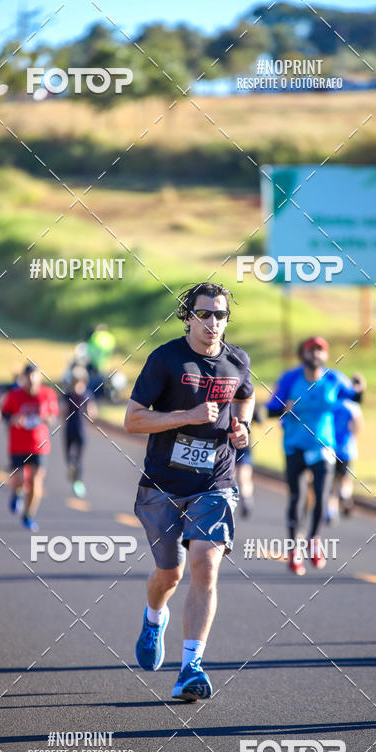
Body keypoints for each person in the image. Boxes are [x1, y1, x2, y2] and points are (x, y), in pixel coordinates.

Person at [124, 282, 254, 702]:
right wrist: (189, 415)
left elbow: (246, 397)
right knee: (170, 573)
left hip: (215, 482)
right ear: (188, 316)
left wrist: (243, 427)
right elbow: (133, 421)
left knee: (205, 563)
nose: (212, 322)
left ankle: (190, 667)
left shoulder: (237, 361)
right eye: (204, 314)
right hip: (163, 483)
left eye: (220, 315)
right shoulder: (165, 359)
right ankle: (153, 616)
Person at [266, 336, 365, 576]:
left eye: (321, 350)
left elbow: (354, 398)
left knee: (321, 497)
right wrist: (282, 408)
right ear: (303, 354)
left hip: (323, 446)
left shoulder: (333, 378)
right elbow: (270, 410)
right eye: (312, 350)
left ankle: (314, 540)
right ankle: (294, 551)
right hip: (295, 446)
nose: (316, 354)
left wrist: (361, 388)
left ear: (326, 355)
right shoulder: (290, 378)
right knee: (297, 498)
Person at [1, 364, 59, 532]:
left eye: (35, 376)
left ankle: (28, 515)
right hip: (18, 445)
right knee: (19, 479)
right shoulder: (14, 395)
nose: (32, 380)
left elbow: (53, 415)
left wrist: (47, 419)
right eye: (29, 377)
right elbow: (4, 413)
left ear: (40, 378)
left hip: (39, 445)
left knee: (35, 481)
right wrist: (13, 419)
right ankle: (16, 493)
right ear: (24, 378)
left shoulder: (47, 394)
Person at [327, 398, 363, 523]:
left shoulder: (331, 404)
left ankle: (331, 513)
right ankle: (345, 495)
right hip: (347, 449)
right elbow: (357, 427)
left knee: (331, 483)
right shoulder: (352, 407)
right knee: (345, 478)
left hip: (331, 448)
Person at [63, 368, 97, 497]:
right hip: (70, 429)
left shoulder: (87, 395)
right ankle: (73, 473)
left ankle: (77, 481)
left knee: (78, 459)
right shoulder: (68, 395)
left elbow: (92, 413)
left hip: (80, 430)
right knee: (69, 458)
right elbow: (63, 412)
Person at [234, 406, 263, 518]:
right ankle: (246, 499)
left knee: (237, 475)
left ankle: (245, 500)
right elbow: (259, 420)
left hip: (236, 443)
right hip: (240, 443)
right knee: (243, 476)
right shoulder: (246, 399)